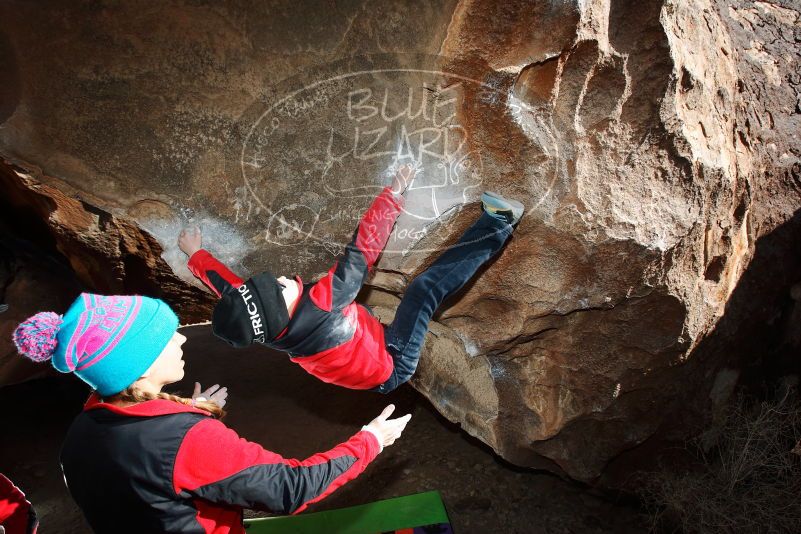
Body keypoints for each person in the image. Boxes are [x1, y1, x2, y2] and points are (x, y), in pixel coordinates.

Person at [13, 294, 410, 534]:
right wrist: (370, 440)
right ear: (140, 364)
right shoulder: (186, 439)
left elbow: (147, 477)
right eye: (167, 336)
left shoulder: (80, 432)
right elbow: (290, 488)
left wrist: (180, 409)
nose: (183, 337)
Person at [179, 166, 523, 393]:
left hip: (358, 354)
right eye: (279, 287)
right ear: (279, 313)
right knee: (423, 291)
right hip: (391, 364)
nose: (282, 278)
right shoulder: (323, 303)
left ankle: (367, 329)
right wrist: (394, 193)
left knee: (361, 317)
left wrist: (196, 256)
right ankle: (499, 223)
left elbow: (229, 288)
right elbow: (363, 249)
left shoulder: (266, 329)